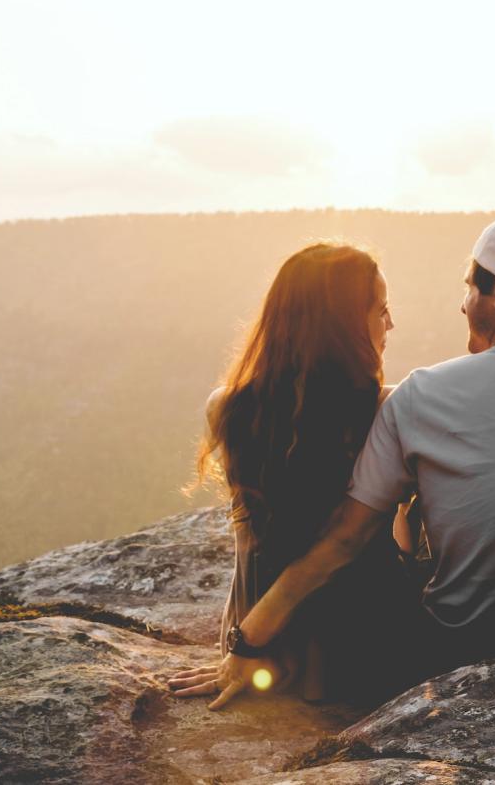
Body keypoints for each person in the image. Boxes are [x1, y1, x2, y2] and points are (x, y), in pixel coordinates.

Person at [193, 214, 495, 711]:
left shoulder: (421, 396)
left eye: (469, 287)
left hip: (463, 645)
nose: (463, 303)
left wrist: (249, 638)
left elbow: (344, 538)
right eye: (383, 311)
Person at [167, 241, 419, 705]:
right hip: (364, 647)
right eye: (381, 310)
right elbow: (347, 544)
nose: (390, 324)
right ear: (342, 328)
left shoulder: (226, 407)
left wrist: (243, 644)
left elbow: (255, 547)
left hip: (258, 643)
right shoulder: (390, 409)